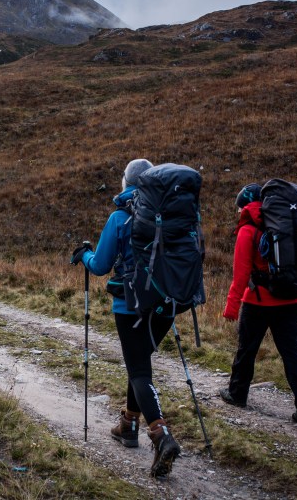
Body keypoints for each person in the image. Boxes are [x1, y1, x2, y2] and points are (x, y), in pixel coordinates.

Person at [70, 158, 181, 478]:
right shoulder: (170, 213)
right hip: (166, 305)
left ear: (127, 182)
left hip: (130, 306)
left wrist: (85, 255)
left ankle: (161, 435)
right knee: (139, 363)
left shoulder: (120, 217)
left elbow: (101, 265)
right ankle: (129, 424)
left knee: (138, 369)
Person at [219, 183, 297, 424]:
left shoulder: (248, 229)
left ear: (245, 205)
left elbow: (241, 274)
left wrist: (231, 306)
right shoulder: (284, 223)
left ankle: (237, 393)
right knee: (293, 352)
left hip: (258, 302)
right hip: (289, 299)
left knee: (247, 349)